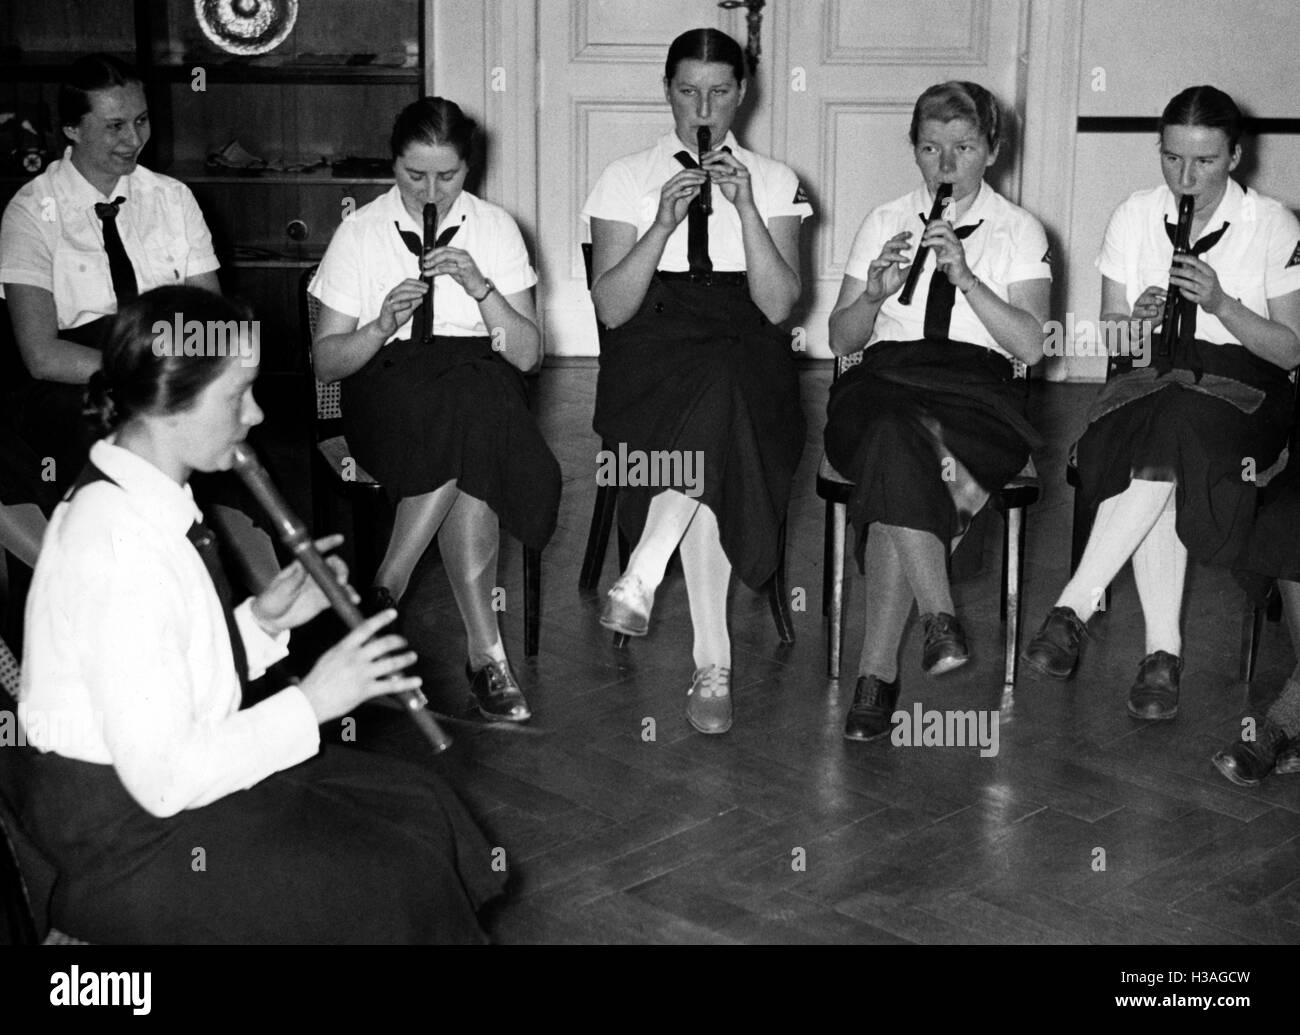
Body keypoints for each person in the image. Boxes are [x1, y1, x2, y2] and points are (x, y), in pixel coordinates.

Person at [13, 286, 504, 943]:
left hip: (154, 792)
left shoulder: (139, 492)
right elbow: (165, 778)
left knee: (423, 805)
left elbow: (164, 677)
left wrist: (263, 622)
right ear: (170, 402)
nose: (254, 411)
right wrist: (314, 699)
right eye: (235, 394)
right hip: (127, 841)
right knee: (394, 871)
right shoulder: (115, 545)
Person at [1023, 86, 1300, 721]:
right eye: (1172, 159)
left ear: (1235, 156)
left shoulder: (1273, 224)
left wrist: (1224, 305)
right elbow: (1115, 339)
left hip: (1248, 388)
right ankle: (1161, 655)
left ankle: (1077, 605)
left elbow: (1289, 351)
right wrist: (1141, 321)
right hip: (1154, 376)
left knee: (1173, 426)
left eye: (1204, 161)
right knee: (1165, 433)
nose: (1186, 176)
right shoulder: (1134, 215)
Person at [582, 28, 811, 735]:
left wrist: (745, 210)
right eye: (687, 92)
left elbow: (778, 306)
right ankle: (712, 659)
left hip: (744, 345)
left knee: (725, 391)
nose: (702, 108)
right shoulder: (625, 176)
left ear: (743, 94)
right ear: (667, 91)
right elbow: (612, 307)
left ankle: (647, 570)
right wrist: (658, 226)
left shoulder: (774, 179)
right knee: (719, 408)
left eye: (718, 92)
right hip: (650, 351)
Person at [310, 97, 558, 724]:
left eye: (446, 177)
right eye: (413, 175)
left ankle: (385, 588)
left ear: (468, 170)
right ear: (392, 164)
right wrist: (379, 324)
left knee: (478, 401)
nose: (430, 190)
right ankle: (485, 657)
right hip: (390, 391)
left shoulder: (497, 228)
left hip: (478, 385)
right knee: (479, 415)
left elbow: (526, 356)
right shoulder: (360, 232)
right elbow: (328, 365)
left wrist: (483, 290)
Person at [825, 81, 1051, 743]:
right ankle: (939, 614)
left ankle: (876, 674)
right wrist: (872, 294)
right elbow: (841, 341)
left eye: (963, 148)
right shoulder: (883, 217)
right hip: (882, 379)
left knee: (898, 450)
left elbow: (1032, 345)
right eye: (930, 149)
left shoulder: (1019, 229)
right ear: (914, 151)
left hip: (978, 392)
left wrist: (969, 280)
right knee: (894, 428)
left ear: (993, 150)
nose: (945, 166)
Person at [0, 53, 278, 590]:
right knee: (127, 464)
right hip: (78, 381)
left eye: (142, 120)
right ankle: (136, 592)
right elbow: (40, 354)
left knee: (233, 461)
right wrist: (139, 374)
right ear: (70, 129)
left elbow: (214, 327)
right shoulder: (32, 211)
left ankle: (252, 620)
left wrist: (180, 376)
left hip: (172, 366)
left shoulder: (172, 199)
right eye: (114, 126)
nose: (134, 138)